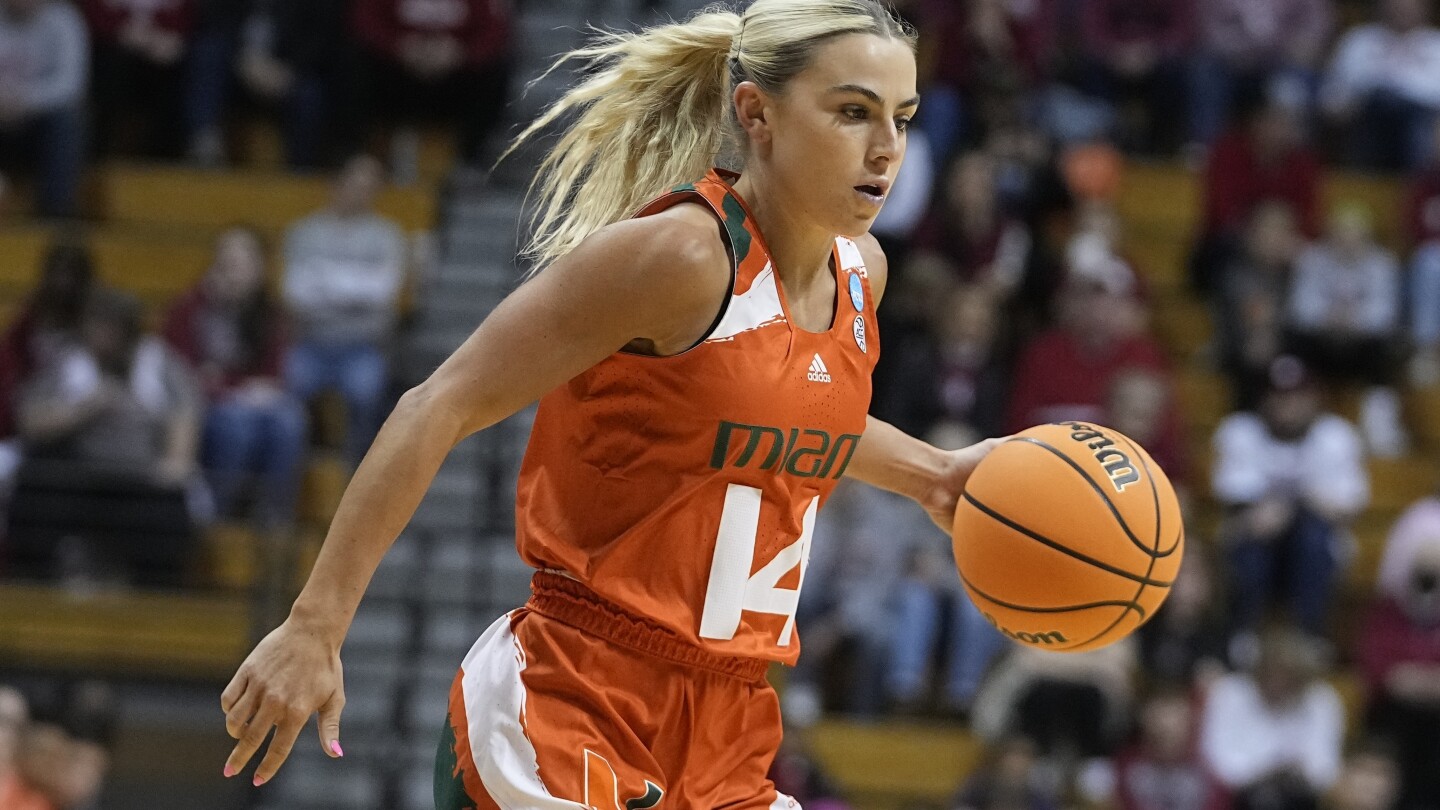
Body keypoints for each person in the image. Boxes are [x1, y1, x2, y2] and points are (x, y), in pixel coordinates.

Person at [219, 3, 1002, 807]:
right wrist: (316, 625)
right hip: (572, 702)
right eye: (852, 112)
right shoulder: (681, 257)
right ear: (755, 113)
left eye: (901, 119)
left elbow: (780, 417)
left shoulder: (860, 273)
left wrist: (934, 475)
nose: (886, 149)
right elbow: (439, 403)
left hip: (729, 723)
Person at [163, 225, 307, 528]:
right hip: (206, 404)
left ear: (259, 270)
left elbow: (274, 373)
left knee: (289, 421)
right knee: (236, 427)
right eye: (228, 264)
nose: (235, 273)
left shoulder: (269, 313)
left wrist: (231, 383)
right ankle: (219, 514)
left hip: (255, 403)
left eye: (244, 264)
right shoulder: (190, 308)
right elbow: (181, 370)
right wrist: (233, 386)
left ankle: (274, 517)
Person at [280, 153, 406, 466]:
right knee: (287, 394)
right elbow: (295, 293)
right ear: (338, 184)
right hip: (310, 343)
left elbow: (382, 293)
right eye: (356, 184)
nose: (362, 192)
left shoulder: (387, 236)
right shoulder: (304, 232)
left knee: (366, 395)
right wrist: (356, 286)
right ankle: (295, 470)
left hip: (363, 348)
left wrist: (325, 281)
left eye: (370, 186)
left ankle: (357, 474)